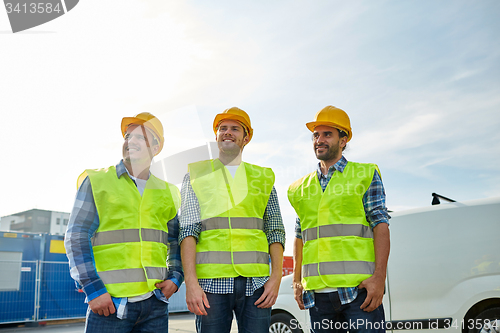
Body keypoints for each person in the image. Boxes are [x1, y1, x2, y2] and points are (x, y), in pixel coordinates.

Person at [65, 112, 183, 332]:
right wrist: (93, 289)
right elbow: (76, 236)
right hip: (109, 304)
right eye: (128, 136)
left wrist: (175, 277)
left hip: (155, 305)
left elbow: (176, 240)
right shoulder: (97, 181)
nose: (131, 141)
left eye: (140, 137)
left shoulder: (169, 192)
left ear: (156, 147)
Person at [179, 107, 285, 333]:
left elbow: (275, 230)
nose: (227, 132)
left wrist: (276, 277)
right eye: (222, 128)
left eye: (235, 128)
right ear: (216, 136)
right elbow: (188, 230)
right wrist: (191, 283)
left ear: (246, 137)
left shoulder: (263, 178)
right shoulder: (196, 175)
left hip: (256, 284)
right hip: (210, 285)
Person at [288, 106, 390, 333]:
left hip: (359, 292)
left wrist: (379, 278)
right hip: (318, 297)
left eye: (327, 134)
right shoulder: (299, 188)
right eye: (316, 135)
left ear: (343, 140)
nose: (319, 140)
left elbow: (380, 225)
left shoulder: (365, 174)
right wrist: (297, 281)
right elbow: (299, 235)